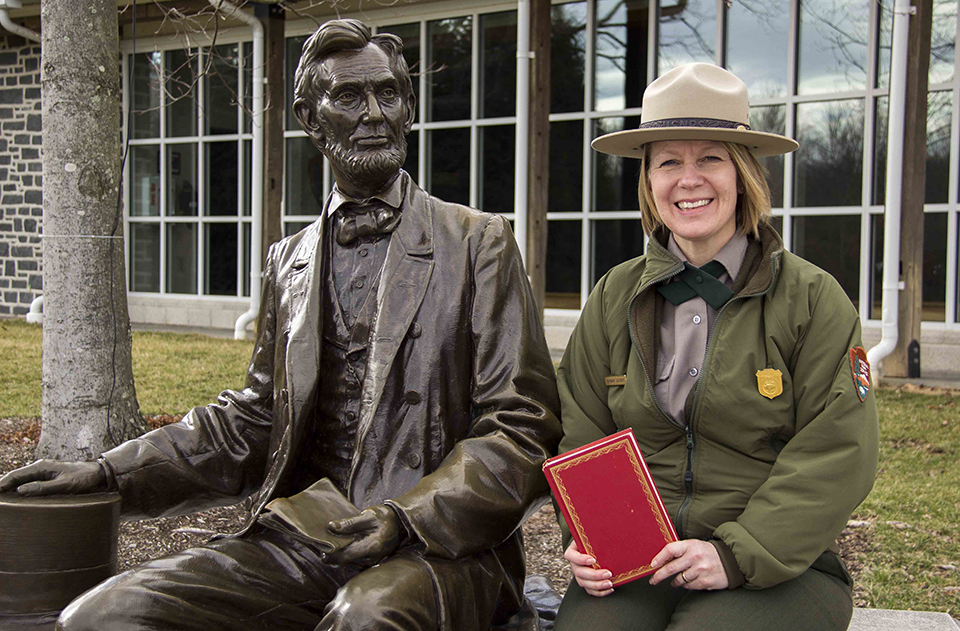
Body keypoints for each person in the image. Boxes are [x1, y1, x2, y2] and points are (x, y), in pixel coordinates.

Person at [0, 19, 561, 631]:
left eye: (389, 94)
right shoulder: (288, 261)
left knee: (367, 619)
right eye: (349, 97)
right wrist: (109, 470)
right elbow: (252, 418)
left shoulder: (479, 242)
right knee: (102, 616)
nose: (375, 113)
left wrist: (407, 514)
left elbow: (521, 426)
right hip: (308, 535)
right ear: (309, 119)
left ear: (409, 107)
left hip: (437, 547)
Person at [553, 63, 879, 631]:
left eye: (710, 158)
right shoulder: (614, 295)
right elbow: (580, 425)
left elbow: (839, 448)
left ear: (743, 174)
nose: (689, 179)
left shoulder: (812, 299)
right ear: (649, 183)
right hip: (640, 560)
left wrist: (735, 553)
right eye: (668, 162)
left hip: (777, 566)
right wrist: (589, 535)